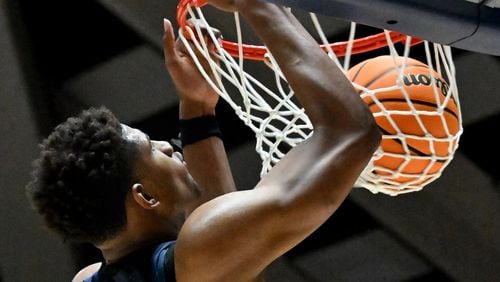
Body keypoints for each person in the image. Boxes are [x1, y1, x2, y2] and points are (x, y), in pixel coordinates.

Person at [26, 0, 381, 281]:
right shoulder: (201, 256)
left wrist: (196, 107)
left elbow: (216, 226)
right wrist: (257, 5)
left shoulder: (90, 277)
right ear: (145, 196)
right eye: (152, 147)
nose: (168, 145)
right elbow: (348, 132)